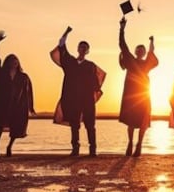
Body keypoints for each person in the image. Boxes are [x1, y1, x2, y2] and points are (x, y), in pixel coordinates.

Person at [50, 26, 106, 156]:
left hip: (87, 99)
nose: (82, 49)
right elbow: (61, 45)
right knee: (75, 125)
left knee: (90, 125)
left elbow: (96, 84)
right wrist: (67, 32)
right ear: (78, 49)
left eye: (85, 48)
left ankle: (93, 149)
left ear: (87, 51)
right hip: (73, 99)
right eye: (81, 47)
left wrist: (95, 90)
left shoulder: (91, 66)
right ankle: (75, 148)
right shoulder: (70, 62)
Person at [0, 32, 35, 156]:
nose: (14, 63)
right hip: (1, 104)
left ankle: (9, 146)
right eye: (11, 60)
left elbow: (29, 92)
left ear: (18, 63)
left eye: (16, 61)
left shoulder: (23, 77)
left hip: (17, 106)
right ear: (7, 62)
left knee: (17, 128)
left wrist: (31, 107)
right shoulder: (0, 73)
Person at [118, 16, 158, 157]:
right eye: (139, 49)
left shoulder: (146, 64)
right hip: (131, 95)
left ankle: (139, 144)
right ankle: (130, 142)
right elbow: (122, 45)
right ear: (135, 52)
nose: (141, 51)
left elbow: (152, 54)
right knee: (130, 121)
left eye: (143, 50)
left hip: (144, 95)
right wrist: (122, 29)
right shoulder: (129, 60)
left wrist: (152, 42)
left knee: (143, 121)